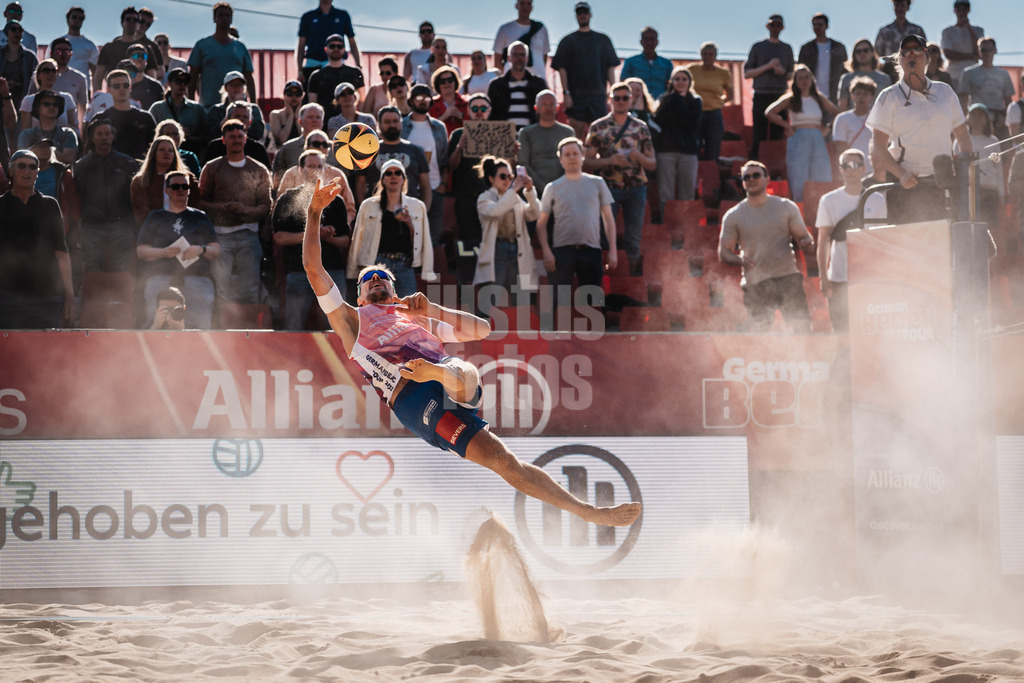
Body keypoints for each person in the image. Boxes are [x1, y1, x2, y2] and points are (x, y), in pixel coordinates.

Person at [304, 179, 641, 528]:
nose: (375, 279)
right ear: (359, 297)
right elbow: (314, 269)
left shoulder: (418, 318)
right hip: (414, 401)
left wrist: (432, 309)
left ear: (394, 289)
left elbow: (482, 329)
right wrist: (314, 214)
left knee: (460, 371)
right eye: (368, 279)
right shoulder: (351, 320)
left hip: (442, 375)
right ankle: (586, 511)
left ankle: (589, 512)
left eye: (382, 277)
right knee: (504, 462)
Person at [867, 34, 972, 224]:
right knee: (905, 241)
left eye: (917, 50)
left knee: (943, 240)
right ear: (899, 59)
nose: (911, 55)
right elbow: (879, 146)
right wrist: (901, 174)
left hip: (942, 183)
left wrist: (964, 177)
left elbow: (963, 137)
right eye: (906, 51)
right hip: (903, 185)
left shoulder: (945, 91)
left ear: (927, 58)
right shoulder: (888, 96)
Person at [718, 160, 813, 332]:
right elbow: (724, 253)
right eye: (746, 177)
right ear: (743, 183)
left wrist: (807, 243)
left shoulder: (786, 207)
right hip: (755, 284)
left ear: (767, 179)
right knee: (760, 336)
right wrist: (741, 261)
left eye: (756, 175)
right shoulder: (733, 215)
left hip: (787, 279)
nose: (751, 179)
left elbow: (804, 237)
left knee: (802, 330)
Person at [197, 118, 272, 308]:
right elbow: (200, 201)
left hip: (249, 235)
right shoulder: (212, 167)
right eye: (232, 137)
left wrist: (246, 210)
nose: (236, 140)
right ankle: (220, 324)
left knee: (252, 291)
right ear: (224, 140)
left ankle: (251, 324)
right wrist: (222, 207)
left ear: (245, 138)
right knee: (220, 291)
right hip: (220, 235)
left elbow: (266, 205)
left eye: (240, 136)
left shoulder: (258, 169)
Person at [583, 82, 656, 275]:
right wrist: (609, 161)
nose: (621, 101)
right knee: (604, 237)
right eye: (617, 98)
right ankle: (606, 278)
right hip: (608, 187)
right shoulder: (598, 127)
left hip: (636, 187)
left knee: (633, 239)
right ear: (610, 100)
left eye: (625, 98)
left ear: (631, 100)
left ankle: (629, 279)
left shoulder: (640, 127)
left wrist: (639, 157)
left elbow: (652, 163)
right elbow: (586, 163)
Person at [273, 149, 350, 330]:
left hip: (331, 272)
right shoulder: (288, 199)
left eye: (319, 166)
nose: (315, 170)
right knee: (294, 326)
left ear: (324, 169)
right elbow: (279, 237)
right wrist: (313, 233)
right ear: (300, 170)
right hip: (298, 271)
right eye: (310, 166)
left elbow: (346, 241)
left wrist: (329, 237)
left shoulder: (336, 200)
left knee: (339, 327)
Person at [137, 170, 220, 329]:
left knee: (200, 328)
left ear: (189, 190)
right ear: (166, 190)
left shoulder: (200, 217)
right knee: (156, 325)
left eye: (184, 186)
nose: (180, 190)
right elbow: (141, 251)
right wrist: (163, 252)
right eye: (175, 187)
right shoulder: (155, 217)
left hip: (197, 280)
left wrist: (201, 249)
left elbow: (216, 250)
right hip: (160, 279)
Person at [815, 149, 886, 333]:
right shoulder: (829, 200)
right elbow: (823, 240)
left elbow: (881, 240)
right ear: (840, 170)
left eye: (855, 165)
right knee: (841, 329)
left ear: (863, 168)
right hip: (839, 275)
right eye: (845, 165)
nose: (850, 169)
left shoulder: (877, 199)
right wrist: (823, 277)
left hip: (868, 276)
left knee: (869, 327)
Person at [0, 149, 72, 329]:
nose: (27, 171)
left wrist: (69, 292)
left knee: (49, 347)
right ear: (10, 171)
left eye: (33, 167)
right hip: (7, 298)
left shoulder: (50, 205)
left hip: (47, 298)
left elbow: (61, 252)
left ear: (37, 173)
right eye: (22, 166)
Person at [536, 137, 617, 291]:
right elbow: (541, 224)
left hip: (591, 250)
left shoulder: (598, 183)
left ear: (582, 155)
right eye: (567, 155)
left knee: (592, 301)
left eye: (575, 153)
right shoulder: (552, 188)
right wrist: (546, 252)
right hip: (562, 252)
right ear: (561, 159)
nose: (572, 157)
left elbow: (608, 219)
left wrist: (613, 250)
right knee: (560, 300)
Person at [347, 158, 436, 296]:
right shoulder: (368, 205)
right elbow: (357, 238)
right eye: (388, 173)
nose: (393, 176)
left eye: (397, 173)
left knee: (408, 307)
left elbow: (424, 240)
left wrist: (410, 225)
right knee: (376, 307)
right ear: (382, 179)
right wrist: (353, 269)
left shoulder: (417, 206)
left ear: (404, 179)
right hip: (377, 264)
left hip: (405, 265)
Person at [72, 119, 140, 276]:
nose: (104, 137)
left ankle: (123, 293)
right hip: (92, 225)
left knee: (123, 267)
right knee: (92, 266)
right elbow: (78, 196)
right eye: (99, 134)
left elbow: (134, 197)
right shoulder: (82, 165)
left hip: (121, 224)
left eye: (107, 134)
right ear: (92, 138)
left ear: (112, 137)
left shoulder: (127, 163)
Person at [765, 64, 838, 202]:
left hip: (817, 137)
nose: (804, 81)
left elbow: (835, 112)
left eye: (806, 77)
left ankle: (821, 205)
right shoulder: (791, 98)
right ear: (795, 81)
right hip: (798, 137)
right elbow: (770, 112)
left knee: (821, 172)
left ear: (811, 79)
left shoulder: (818, 97)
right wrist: (787, 126)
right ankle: (800, 205)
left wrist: (827, 129)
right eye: (800, 78)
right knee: (799, 175)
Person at [552, 1, 619, 140]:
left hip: (598, 97)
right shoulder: (568, 41)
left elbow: (610, 67)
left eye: (585, 12)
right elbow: (561, 68)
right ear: (576, 16)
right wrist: (566, 93)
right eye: (579, 13)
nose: (582, 15)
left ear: (590, 14)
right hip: (575, 97)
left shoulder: (603, 40)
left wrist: (614, 93)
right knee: (575, 138)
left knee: (600, 137)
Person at [474, 156, 540, 299]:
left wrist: (529, 190)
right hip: (497, 251)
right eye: (503, 176)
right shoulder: (485, 197)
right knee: (492, 299)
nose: (507, 180)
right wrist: (514, 189)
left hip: (517, 250)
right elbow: (496, 211)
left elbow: (533, 214)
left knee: (520, 299)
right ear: (491, 178)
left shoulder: (514, 197)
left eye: (510, 177)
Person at [448, 94, 493, 283]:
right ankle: (469, 281)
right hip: (466, 197)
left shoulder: (498, 133)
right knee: (469, 242)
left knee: (490, 241)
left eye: (483, 108)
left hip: (491, 198)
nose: (479, 112)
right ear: (468, 111)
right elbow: (451, 165)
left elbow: (508, 169)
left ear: (489, 111)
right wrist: (459, 148)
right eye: (475, 108)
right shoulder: (459, 134)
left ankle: (489, 280)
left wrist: (512, 154)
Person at [744, 13, 794, 160]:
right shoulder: (758, 47)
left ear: (782, 28)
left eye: (778, 26)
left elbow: (792, 75)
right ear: (767, 26)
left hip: (780, 95)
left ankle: (776, 165)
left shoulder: (786, 48)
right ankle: (756, 163)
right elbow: (747, 73)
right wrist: (768, 66)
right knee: (759, 133)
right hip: (761, 94)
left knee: (778, 133)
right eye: (772, 25)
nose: (775, 28)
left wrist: (782, 72)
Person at [653, 67, 702, 218]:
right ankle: (666, 223)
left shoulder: (695, 101)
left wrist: (679, 100)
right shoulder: (664, 100)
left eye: (684, 79)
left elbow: (690, 123)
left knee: (687, 193)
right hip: (666, 151)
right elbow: (660, 121)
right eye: (677, 79)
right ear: (671, 82)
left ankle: (684, 226)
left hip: (688, 152)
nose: (680, 82)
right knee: (665, 193)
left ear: (689, 82)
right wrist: (673, 98)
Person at [186, 2, 256, 108]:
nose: (224, 18)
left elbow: (249, 78)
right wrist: (191, 105)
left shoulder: (240, 47)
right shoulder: (202, 45)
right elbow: (193, 77)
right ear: (214, 18)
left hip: (237, 108)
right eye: (220, 15)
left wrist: (253, 105)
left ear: (231, 19)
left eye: (227, 15)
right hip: (209, 106)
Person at [403, 85, 448, 245]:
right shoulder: (401, 126)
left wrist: (443, 184)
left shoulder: (439, 127)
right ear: (411, 101)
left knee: (432, 239)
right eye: (419, 98)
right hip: (409, 190)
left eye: (427, 98)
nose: (423, 101)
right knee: (408, 238)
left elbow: (445, 159)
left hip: (435, 188)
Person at [276, 129, 356, 217]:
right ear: (306, 147)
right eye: (316, 144)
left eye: (325, 145)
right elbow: (280, 206)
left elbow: (350, 208)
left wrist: (339, 225)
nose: (321, 147)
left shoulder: (337, 175)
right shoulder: (292, 173)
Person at [955, 103, 1003, 230]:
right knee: (970, 226)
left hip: (990, 190)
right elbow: (956, 166)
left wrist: (1001, 192)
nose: (977, 119)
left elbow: (998, 170)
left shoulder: (993, 141)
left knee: (990, 227)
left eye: (980, 115)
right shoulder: (960, 140)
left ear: (986, 119)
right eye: (974, 115)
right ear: (968, 119)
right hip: (969, 192)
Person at [517, 89, 574, 195]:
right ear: (536, 108)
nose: (548, 108)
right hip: (533, 190)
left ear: (557, 108)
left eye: (551, 104)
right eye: (544, 104)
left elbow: (572, 162)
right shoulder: (526, 132)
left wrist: (557, 187)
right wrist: (544, 189)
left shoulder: (568, 132)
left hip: (563, 189)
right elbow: (523, 163)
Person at [373, 105, 430, 210]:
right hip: (376, 210)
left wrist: (423, 212)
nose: (392, 125)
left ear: (401, 123)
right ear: (379, 125)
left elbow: (426, 186)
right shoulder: (371, 151)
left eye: (395, 121)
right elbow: (360, 184)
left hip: (410, 210)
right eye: (387, 122)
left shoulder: (416, 150)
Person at [130, 134, 195, 226]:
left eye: (170, 150)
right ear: (153, 154)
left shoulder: (188, 179)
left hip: (184, 228)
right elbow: (141, 213)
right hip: (153, 230)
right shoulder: (140, 181)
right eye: (162, 150)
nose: (166, 153)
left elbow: (195, 208)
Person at [957, 38, 1014, 138]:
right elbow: (963, 100)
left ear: (995, 51)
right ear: (979, 51)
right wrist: (965, 121)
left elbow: (1008, 101)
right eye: (983, 50)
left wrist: (1005, 119)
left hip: (999, 120)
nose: (986, 53)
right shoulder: (968, 73)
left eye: (990, 49)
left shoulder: (1004, 74)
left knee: (1002, 146)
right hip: (977, 120)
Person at [93, 69, 157, 160]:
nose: (121, 89)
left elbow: (155, 148)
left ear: (130, 87)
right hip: (110, 167)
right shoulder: (100, 119)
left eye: (125, 85)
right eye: (116, 86)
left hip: (140, 167)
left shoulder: (146, 118)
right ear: (109, 89)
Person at [686, 42, 733, 163]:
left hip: (714, 114)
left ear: (716, 56)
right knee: (693, 147)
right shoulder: (691, 69)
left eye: (710, 54)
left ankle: (711, 172)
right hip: (694, 113)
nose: (707, 56)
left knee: (713, 148)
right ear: (700, 55)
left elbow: (730, 95)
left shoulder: (723, 73)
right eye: (705, 54)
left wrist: (719, 102)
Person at [94, 7, 160, 92]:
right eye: (128, 19)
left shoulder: (145, 48)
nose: (132, 22)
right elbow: (98, 76)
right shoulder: (109, 47)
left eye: (135, 20)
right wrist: (97, 96)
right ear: (122, 23)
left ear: (138, 24)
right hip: (113, 94)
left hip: (139, 95)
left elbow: (152, 77)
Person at [296, 0, 360, 85]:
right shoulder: (308, 17)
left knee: (342, 91)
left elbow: (352, 42)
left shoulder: (343, 15)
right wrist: (300, 71)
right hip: (313, 64)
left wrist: (358, 65)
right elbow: (301, 46)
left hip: (338, 66)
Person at [487, 41, 547, 130]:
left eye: (522, 55)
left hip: (532, 135)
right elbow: (490, 114)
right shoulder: (496, 85)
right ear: (509, 58)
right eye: (515, 55)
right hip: (504, 134)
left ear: (527, 58)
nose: (519, 58)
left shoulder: (538, 84)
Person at [307, 33, 365, 121]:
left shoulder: (355, 72)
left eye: (339, 46)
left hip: (351, 123)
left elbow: (362, 101)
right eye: (332, 46)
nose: (336, 49)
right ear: (326, 49)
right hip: (325, 123)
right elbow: (313, 104)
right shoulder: (316, 75)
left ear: (344, 49)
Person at [149, 67, 206, 155]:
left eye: (185, 81)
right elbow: (149, 134)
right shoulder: (157, 108)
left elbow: (206, 135)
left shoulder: (197, 109)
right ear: (169, 84)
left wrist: (189, 137)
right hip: (164, 154)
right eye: (178, 81)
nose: (182, 85)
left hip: (190, 154)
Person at [36, 38, 88, 128]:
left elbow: (82, 109)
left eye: (67, 52)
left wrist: (80, 131)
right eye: (59, 51)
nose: (63, 54)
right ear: (51, 53)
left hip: (67, 128)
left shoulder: (80, 78)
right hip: (41, 128)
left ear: (71, 54)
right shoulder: (41, 75)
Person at [797, 13, 847, 106]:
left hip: (834, 95)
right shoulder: (806, 48)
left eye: (820, 24)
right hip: (811, 94)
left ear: (826, 26)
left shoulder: (838, 47)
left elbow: (845, 69)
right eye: (815, 24)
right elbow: (799, 71)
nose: (817, 27)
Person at [203, 71, 265, 145]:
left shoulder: (254, 109)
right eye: (232, 85)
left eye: (239, 85)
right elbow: (211, 134)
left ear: (244, 88)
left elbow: (258, 133)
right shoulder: (216, 110)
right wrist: (229, 113)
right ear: (226, 88)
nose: (236, 88)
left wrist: (246, 111)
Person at [18, 90, 78, 166]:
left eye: (55, 104)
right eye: (47, 104)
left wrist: (37, 151)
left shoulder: (68, 133)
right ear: (37, 108)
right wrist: (56, 153)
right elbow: (22, 158)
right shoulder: (27, 134)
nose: (51, 107)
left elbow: (69, 159)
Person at [832, 76, 877, 175]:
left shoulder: (878, 118)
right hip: (852, 170)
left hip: (873, 171)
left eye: (865, 94)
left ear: (871, 97)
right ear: (852, 96)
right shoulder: (842, 119)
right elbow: (841, 149)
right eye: (858, 93)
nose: (861, 97)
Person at [274, 102, 325, 188]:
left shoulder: (334, 148)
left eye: (318, 117)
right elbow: (276, 180)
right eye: (310, 117)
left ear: (323, 121)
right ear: (300, 121)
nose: (315, 120)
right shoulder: (288, 148)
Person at [21, 60, 78, 135]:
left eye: (54, 70)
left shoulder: (66, 98)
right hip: (37, 141)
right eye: (46, 70)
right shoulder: (29, 100)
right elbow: (26, 131)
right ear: (38, 75)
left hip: (62, 140)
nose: (50, 74)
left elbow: (74, 127)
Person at [874, 0, 926, 81]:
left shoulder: (917, 30)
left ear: (907, 7)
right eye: (897, 6)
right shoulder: (884, 31)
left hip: (913, 69)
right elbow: (877, 52)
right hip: (889, 71)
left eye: (902, 5)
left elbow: (924, 51)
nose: (899, 8)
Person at [492, 0, 548, 74]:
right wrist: (506, 78)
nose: (525, 7)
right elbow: (497, 60)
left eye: (528, 4)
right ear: (516, 5)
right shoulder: (505, 29)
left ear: (532, 7)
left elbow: (544, 56)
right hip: (512, 79)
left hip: (538, 77)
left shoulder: (541, 29)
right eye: (522, 3)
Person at [836, 39, 891, 111]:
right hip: (854, 118)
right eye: (858, 51)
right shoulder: (846, 78)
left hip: (879, 117)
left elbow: (889, 106)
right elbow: (842, 108)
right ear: (854, 55)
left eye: (865, 50)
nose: (862, 53)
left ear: (872, 52)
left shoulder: (885, 79)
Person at [620, 27, 673, 100]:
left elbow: (671, 87)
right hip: (637, 103)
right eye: (646, 39)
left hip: (661, 103)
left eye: (652, 39)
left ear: (657, 41)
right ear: (641, 41)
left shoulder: (667, 63)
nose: (649, 42)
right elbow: (623, 84)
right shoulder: (630, 62)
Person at [940, 0, 983, 84]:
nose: (962, 12)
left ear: (969, 10)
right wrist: (971, 56)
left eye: (964, 9)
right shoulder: (947, 31)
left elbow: (979, 52)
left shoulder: (978, 30)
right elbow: (948, 54)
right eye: (959, 9)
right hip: (953, 76)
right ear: (954, 11)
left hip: (974, 76)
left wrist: (969, 28)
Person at [59, 7, 98, 92]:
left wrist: (95, 94)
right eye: (74, 17)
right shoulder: (57, 43)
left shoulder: (89, 45)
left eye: (81, 18)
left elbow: (95, 73)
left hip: (82, 91)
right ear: (68, 20)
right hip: (59, 89)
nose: (77, 20)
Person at [2, 19, 36, 111]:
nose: (17, 32)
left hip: (22, 103)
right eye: (13, 29)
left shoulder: (30, 57)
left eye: (20, 30)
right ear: (7, 32)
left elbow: (36, 81)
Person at [428, 66, 468, 136]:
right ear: (437, 84)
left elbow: (474, 125)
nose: (447, 83)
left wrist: (462, 117)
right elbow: (427, 128)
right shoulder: (431, 104)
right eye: (442, 81)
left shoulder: (467, 102)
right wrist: (443, 117)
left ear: (455, 82)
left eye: (450, 80)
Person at [269, 80, 305, 150]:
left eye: (297, 94)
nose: (294, 97)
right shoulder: (276, 115)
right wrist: (291, 115)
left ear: (302, 96)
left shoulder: (306, 113)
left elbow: (304, 139)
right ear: (284, 96)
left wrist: (297, 117)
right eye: (290, 94)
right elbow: (282, 140)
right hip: (283, 152)